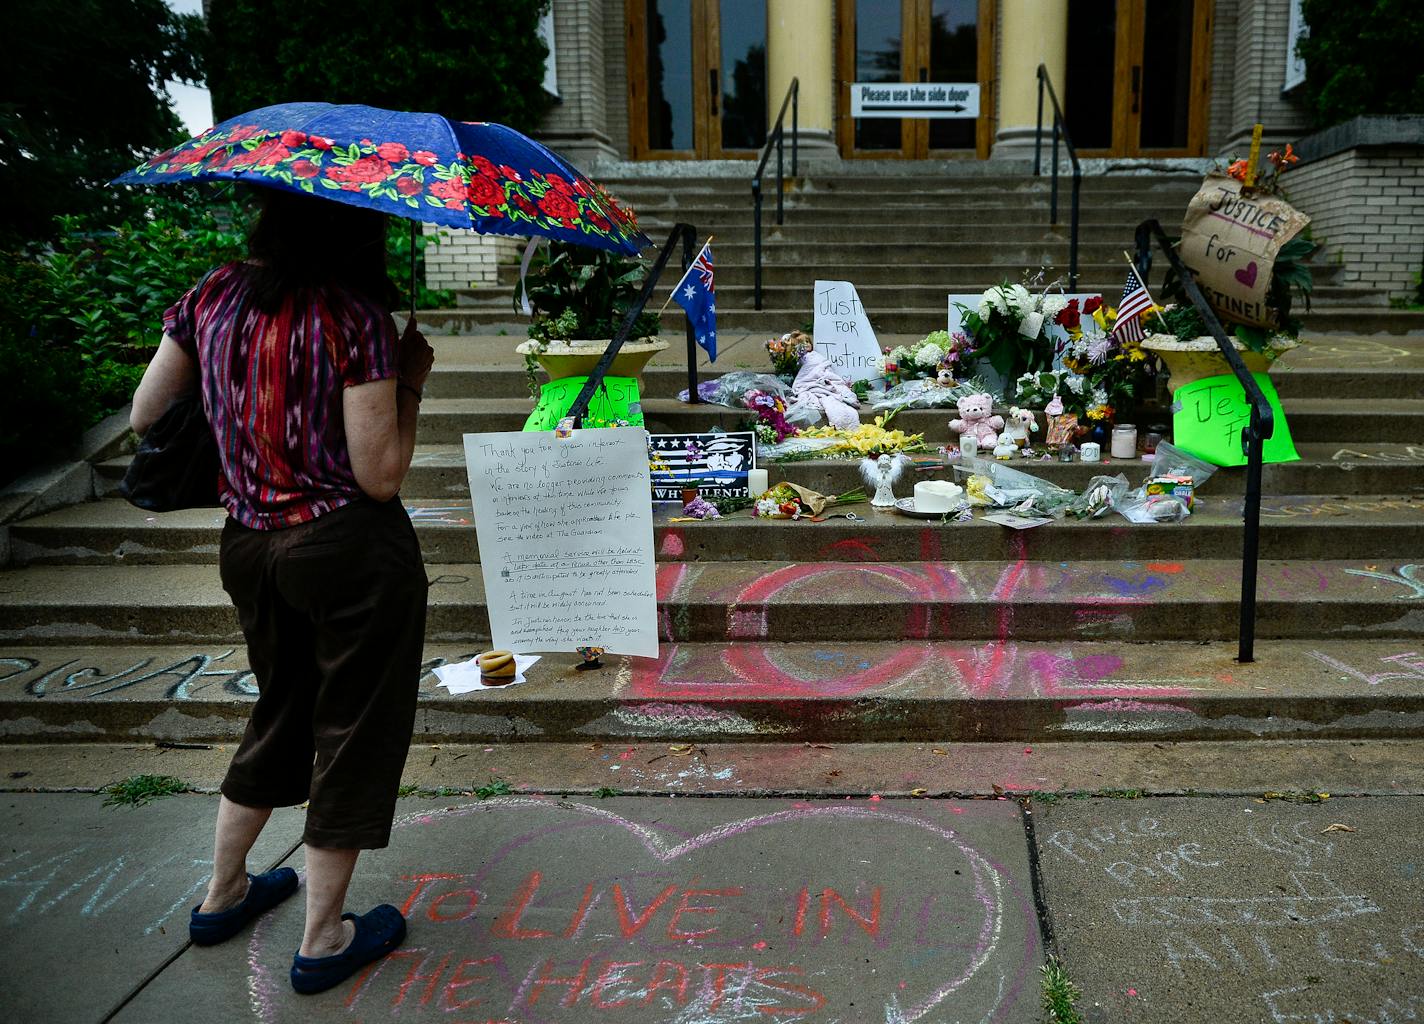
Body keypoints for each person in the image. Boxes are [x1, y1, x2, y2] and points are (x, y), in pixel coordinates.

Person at [130, 188, 434, 994]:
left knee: (281, 711)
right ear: (356, 228)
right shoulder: (355, 317)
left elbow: (143, 415)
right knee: (353, 729)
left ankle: (224, 892)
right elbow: (379, 476)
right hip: (347, 552)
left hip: (251, 546)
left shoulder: (213, 292)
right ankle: (326, 936)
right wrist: (409, 383)